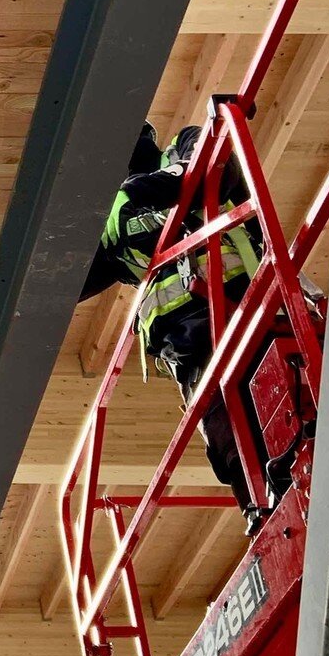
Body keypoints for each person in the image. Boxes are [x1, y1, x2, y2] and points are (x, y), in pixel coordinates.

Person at [81, 123, 261, 523]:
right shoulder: (104, 223)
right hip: (187, 342)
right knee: (224, 428)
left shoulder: (182, 146)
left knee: (285, 396)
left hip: (248, 302)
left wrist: (135, 192)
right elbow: (54, 284)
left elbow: (217, 167)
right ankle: (260, 507)